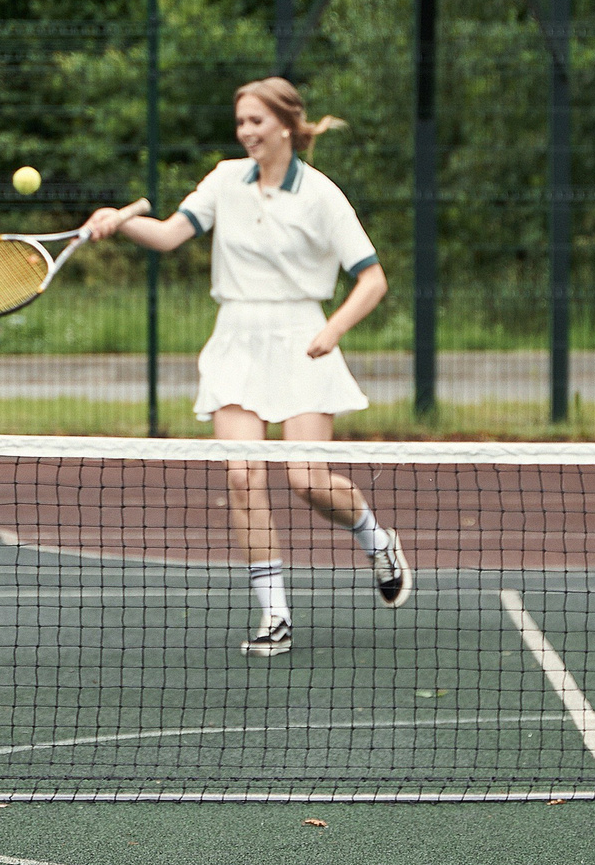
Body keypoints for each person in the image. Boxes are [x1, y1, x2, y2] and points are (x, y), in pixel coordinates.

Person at [83, 77, 410, 656]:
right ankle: (274, 614)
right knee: (242, 475)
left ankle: (376, 539)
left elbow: (372, 279)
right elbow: (166, 235)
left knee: (305, 480)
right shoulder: (223, 180)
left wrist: (332, 329)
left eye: (256, 121)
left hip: (304, 336)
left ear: (285, 124)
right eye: (240, 123)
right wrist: (118, 221)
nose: (246, 132)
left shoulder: (321, 195)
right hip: (236, 337)